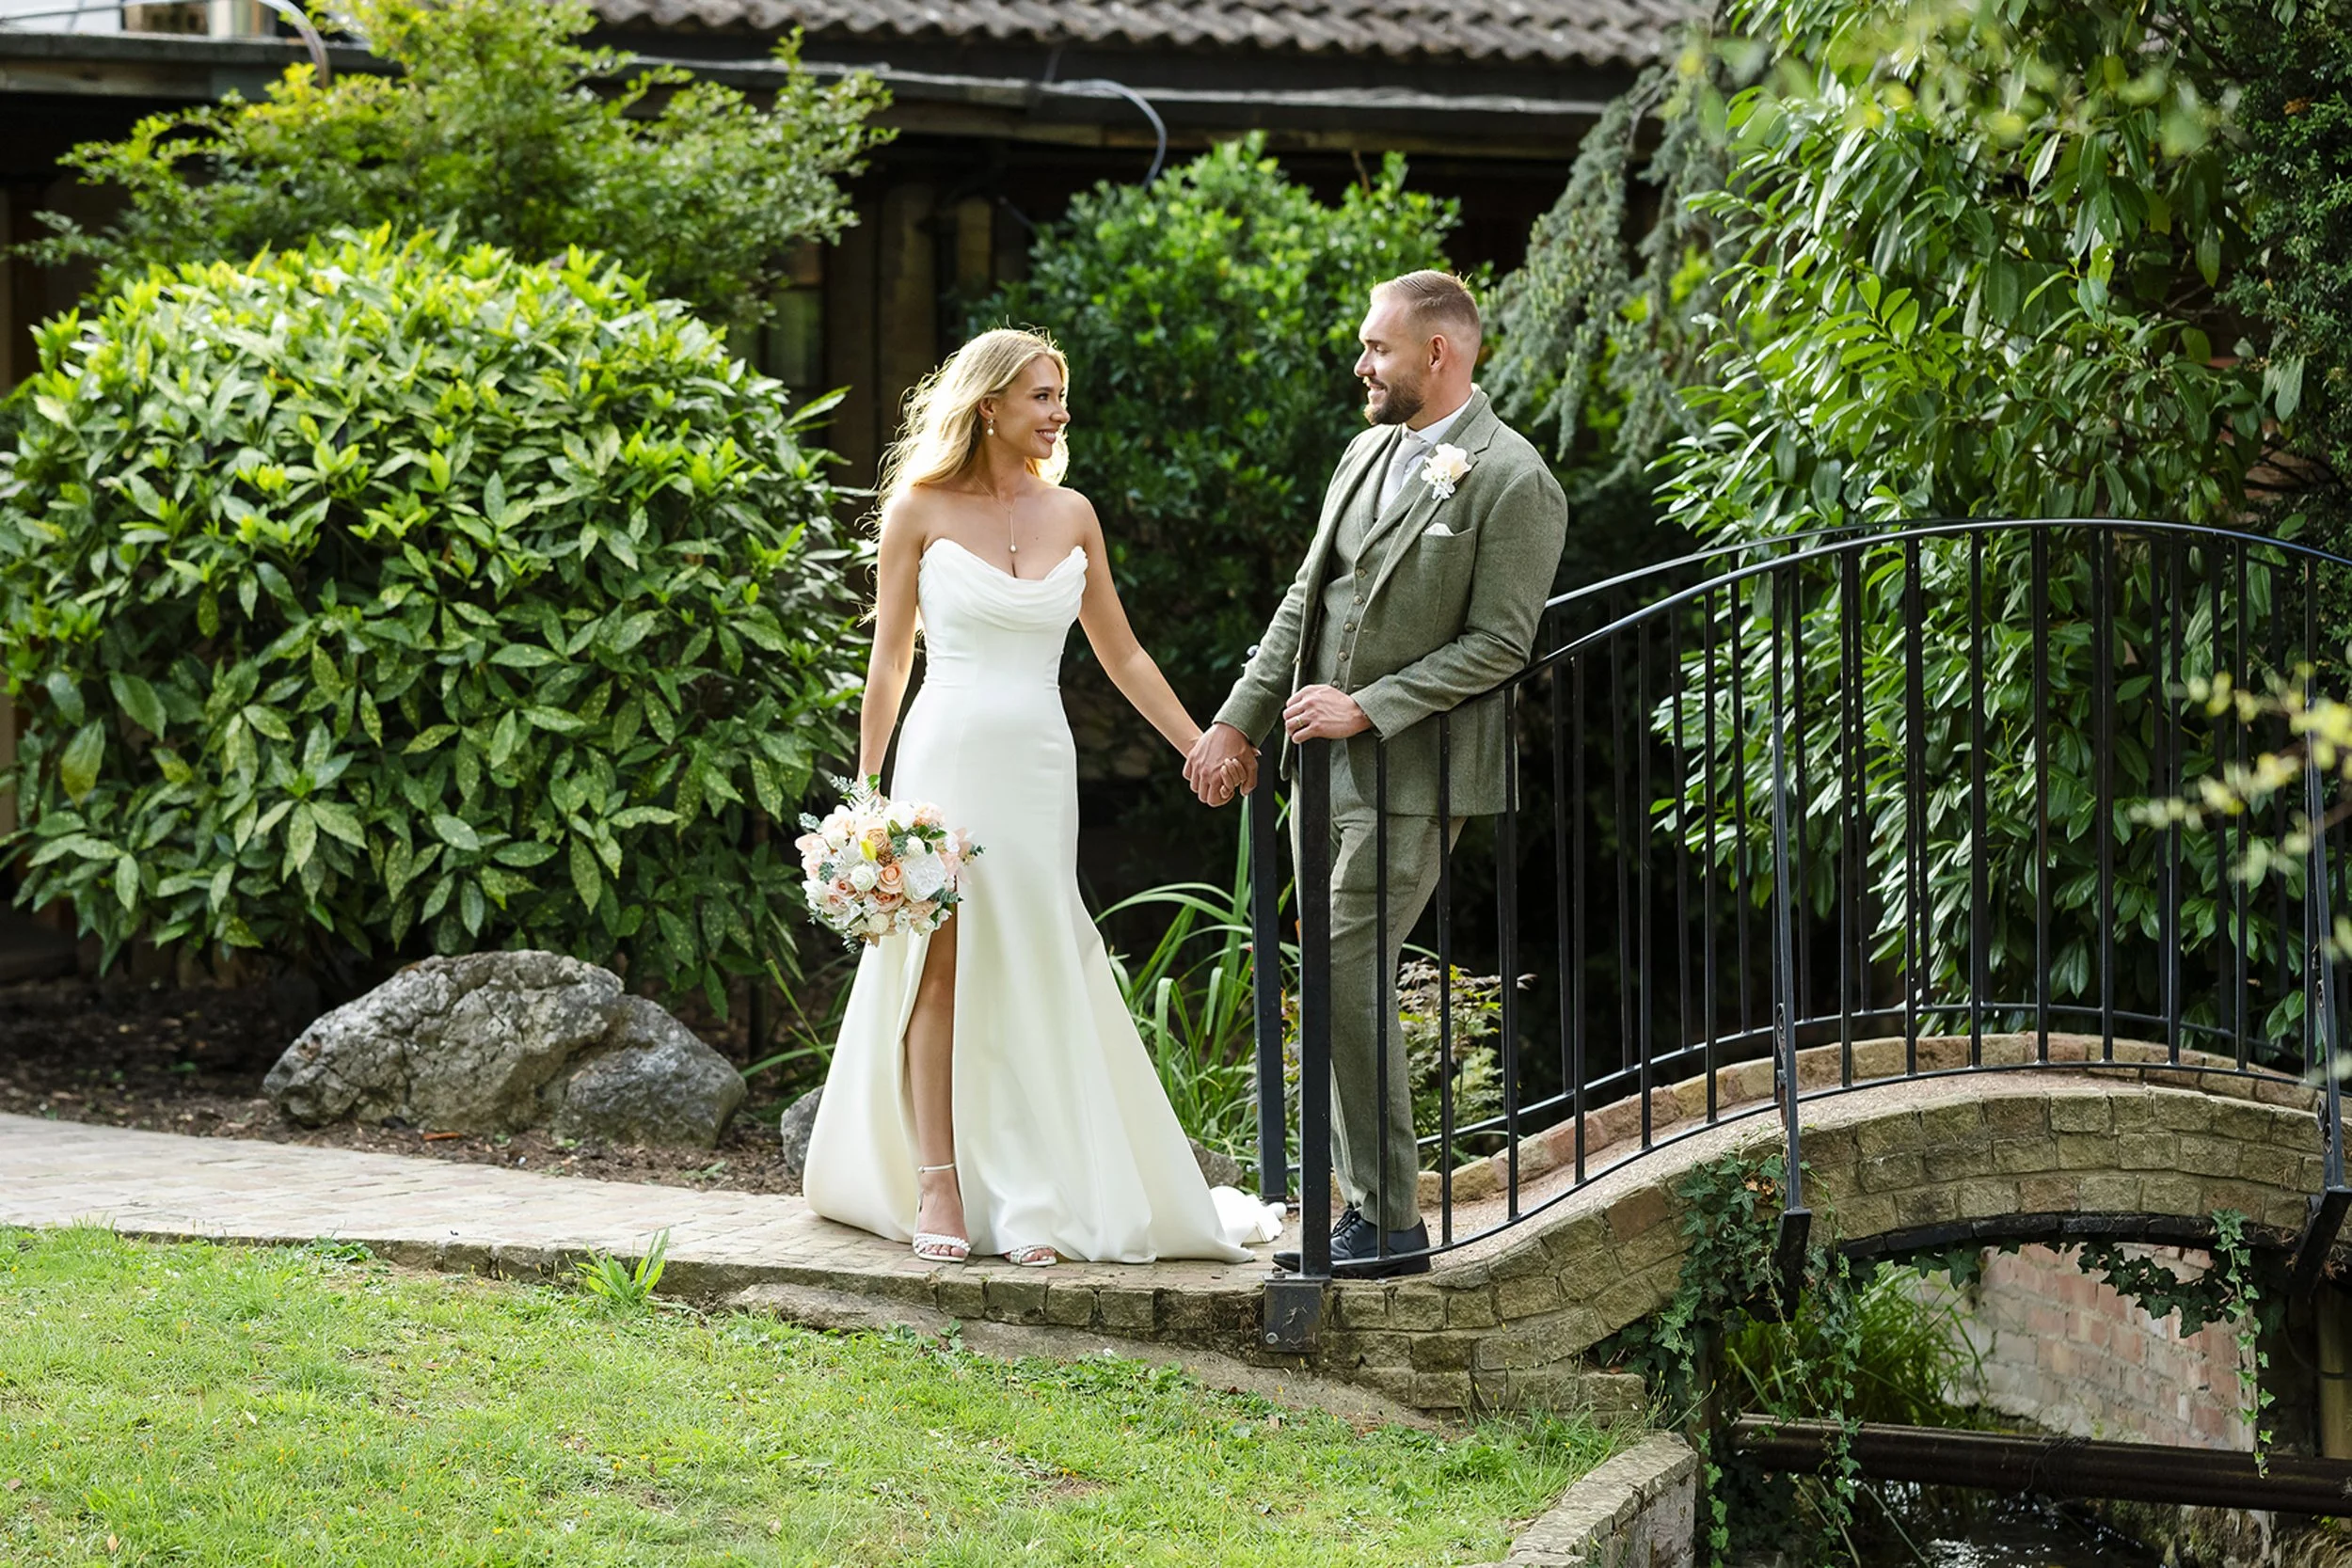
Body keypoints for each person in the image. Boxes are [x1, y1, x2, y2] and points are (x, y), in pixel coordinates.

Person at [801, 328, 1282, 1267]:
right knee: (938, 961)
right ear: (989, 406)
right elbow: (889, 659)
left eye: (1060, 396)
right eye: (1041, 396)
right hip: (944, 757)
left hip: (1037, 762)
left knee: (1034, 952)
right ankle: (937, 1177)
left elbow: (1124, 651)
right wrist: (866, 790)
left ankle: (1040, 1188)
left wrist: (1198, 745)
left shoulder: (1074, 514)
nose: (1058, 413)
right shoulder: (917, 508)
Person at [1185, 271, 1568, 1278]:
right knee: (1332, 975)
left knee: (1346, 966)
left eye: (1378, 350)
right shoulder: (1363, 452)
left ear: (1438, 354)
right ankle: (1363, 1207)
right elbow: (1304, 602)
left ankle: (1387, 1219)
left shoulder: (1512, 477)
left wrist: (1371, 703)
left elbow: (1501, 642)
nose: (1361, 366)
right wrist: (1237, 720)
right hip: (1323, 775)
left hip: (1416, 772)